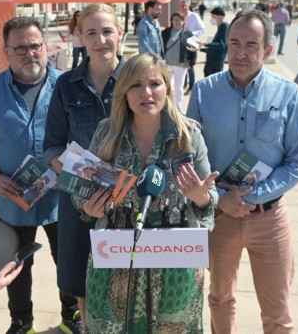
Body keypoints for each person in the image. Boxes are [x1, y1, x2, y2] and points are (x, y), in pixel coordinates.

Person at [187, 9, 298, 333]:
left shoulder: (288, 94)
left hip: (269, 220)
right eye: (234, 43)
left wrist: (253, 197)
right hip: (219, 218)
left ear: (268, 50)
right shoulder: (203, 92)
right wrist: (220, 198)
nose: (241, 53)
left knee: (278, 313)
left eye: (252, 44)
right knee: (219, 300)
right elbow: (189, 157)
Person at [77, 53, 218, 332]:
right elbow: (80, 191)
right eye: (136, 85)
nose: (146, 93)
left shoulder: (188, 135)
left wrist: (201, 197)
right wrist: (87, 206)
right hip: (115, 257)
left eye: (155, 84)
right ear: (124, 92)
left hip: (175, 262)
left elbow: (209, 197)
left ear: (167, 87)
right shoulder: (106, 134)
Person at [0, 16, 80, 334]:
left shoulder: (68, 87)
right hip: (13, 201)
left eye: (36, 46)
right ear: (6, 51)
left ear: (46, 47)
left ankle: (72, 316)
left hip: (63, 197)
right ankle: (21, 322)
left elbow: (88, 138)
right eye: (21, 48)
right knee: (14, 266)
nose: (30, 54)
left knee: (69, 260)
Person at [43, 3, 126, 329]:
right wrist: (81, 172)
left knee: (126, 280)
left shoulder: (139, 78)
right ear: (79, 37)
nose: (101, 39)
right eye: (91, 32)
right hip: (79, 200)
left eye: (107, 31)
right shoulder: (65, 85)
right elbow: (51, 144)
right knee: (81, 279)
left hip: (125, 199)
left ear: (119, 33)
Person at [161, 12, 196, 110]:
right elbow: (160, 46)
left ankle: (178, 108)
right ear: (171, 21)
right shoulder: (166, 32)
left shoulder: (188, 33)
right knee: (166, 87)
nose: (177, 22)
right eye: (175, 20)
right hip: (167, 65)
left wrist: (192, 62)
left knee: (179, 88)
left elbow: (194, 48)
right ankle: (166, 106)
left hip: (181, 65)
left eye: (179, 20)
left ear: (183, 21)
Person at [179, 0, 205, 94]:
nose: (184, 7)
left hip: (192, 43)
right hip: (181, 44)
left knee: (190, 66)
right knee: (182, 64)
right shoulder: (179, 16)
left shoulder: (194, 16)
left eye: (185, 5)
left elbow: (203, 29)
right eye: (182, 6)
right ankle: (184, 84)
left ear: (188, 5)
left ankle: (191, 87)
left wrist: (190, 33)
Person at [200, 6, 229, 77]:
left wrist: (206, 44)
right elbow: (214, 48)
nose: (211, 19)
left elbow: (221, 45)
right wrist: (200, 49)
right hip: (211, 63)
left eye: (213, 17)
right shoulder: (220, 27)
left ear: (220, 17)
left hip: (216, 64)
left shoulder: (224, 26)